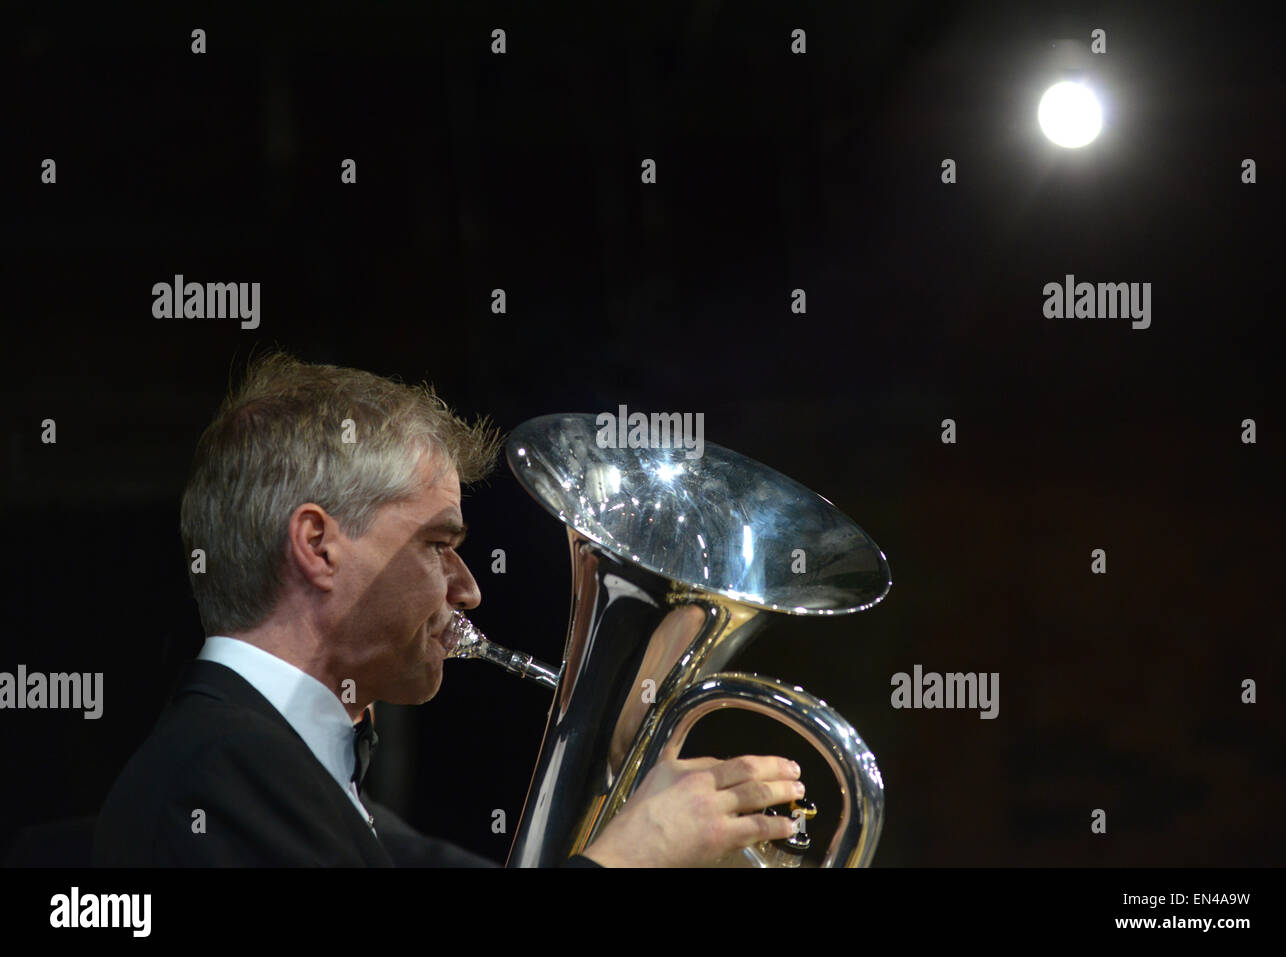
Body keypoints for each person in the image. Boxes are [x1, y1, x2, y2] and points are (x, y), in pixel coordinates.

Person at [92, 352, 804, 867]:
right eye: (436, 544)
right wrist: (636, 852)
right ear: (318, 544)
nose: (468, 588)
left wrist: (625, 791)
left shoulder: (335, 800)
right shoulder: (219, 771)